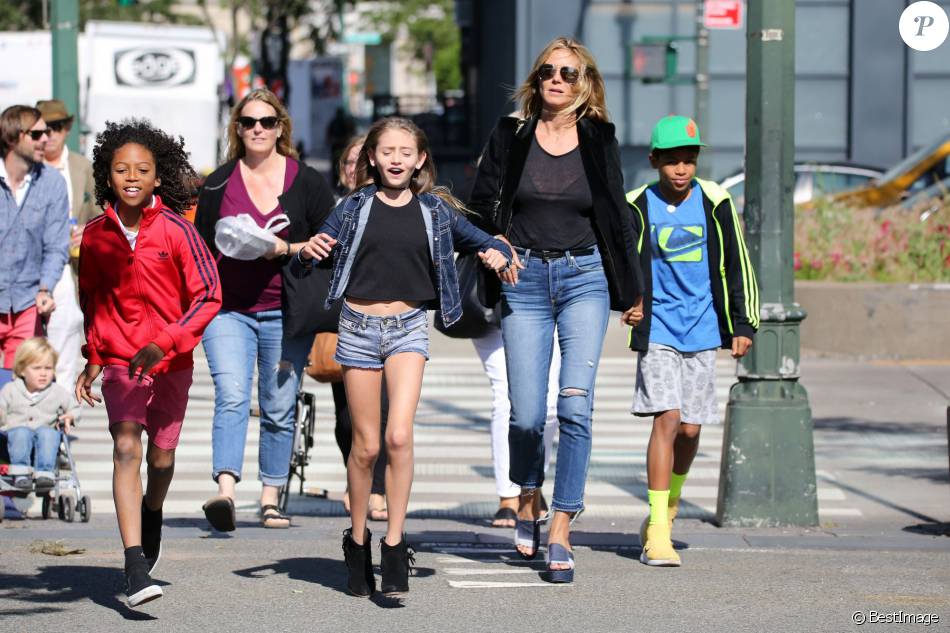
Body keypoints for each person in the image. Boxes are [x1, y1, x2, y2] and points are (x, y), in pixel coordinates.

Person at [297, 116, 512, 597]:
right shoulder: (353, 207)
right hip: (355, 327)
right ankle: (357, 541)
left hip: (409, 328)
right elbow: (306, 258)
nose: (396, 159)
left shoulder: (435, 211)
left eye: (405, 152)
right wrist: (309, 250)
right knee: (366, 445)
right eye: (387, 151)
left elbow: (488, 240)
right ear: (371, 158)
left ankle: (394, 542)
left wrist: (496, 253)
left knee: (399, 435)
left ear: (419, 161)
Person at [468, 37, 644, 584]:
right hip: (523, 280)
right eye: (548, 70)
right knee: (525, 413)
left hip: (584, 278)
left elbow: (616, 214)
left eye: (569, 72)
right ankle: (527, 494)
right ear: (536, 77)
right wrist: (492, 246)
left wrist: (633, 290)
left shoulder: (600, 138)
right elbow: (479, 208)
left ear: (585, 81)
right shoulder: (510, 135)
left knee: (575, 405)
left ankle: (563, 525)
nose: (557, 79)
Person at [75, 118, 221, 606]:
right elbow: (92, 300)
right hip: (121, 360)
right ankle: (135, 564)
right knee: (126, 449)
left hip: (171, 362)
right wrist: (94, 356)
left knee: (160, 459)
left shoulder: (179, 230)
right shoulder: (96, 235)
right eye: (121, 170)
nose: (131, 177)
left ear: (158, 177)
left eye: (142, 170)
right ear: (108, 177)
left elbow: (208, 296)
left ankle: (152, 509)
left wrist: (168, 341)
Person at [194, 89, 336, 531]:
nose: (258, 129)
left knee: (278, 405)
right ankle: (225, 493)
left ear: (281, 129)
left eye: (267, 122)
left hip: (286, 311)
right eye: (250, 122)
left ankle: (271, 497)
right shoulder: (217, 183)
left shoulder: (307, 181)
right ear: (237, 128)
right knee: (232, 395)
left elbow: (331, 244)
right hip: (228, 310)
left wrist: (287, 247)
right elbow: (199, 249)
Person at [626, 115, 759, 566]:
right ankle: (657, 531)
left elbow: (738, 262)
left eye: (689, 160)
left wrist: (744, 324)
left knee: (691, 428)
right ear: (654, 161)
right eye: (671, 161)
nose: (681, 169)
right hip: (659, 327)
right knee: (667, 418)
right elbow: (621, 262)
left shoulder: (715, 200)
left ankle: (672, 499)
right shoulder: (637, 204)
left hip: (702, 328)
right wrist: (628, 300)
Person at [331, 135, 389, 521]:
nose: (357, 169)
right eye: (350, 162)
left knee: (386, 414)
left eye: (361, 161)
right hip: (344, 323)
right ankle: (358, 480)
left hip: (393, 325)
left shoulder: (395, 204)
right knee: (346, 418)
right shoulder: (337, 210)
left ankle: (379, 489)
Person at [0, 105, 69, 386]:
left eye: (48, 132)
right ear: (13, 136)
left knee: (17, 389)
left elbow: (56, 245)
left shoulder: (52, 182)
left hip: (27, 301)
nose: (46, 139)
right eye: (38, 133)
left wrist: (45, 288)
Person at [37, 99, 99, 390]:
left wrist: (88, 231)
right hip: (31, 266)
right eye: (43, 129)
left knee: (68, 328)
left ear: (67, 128)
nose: (49, 135)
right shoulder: (27, 166)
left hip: (69, 266)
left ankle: (59, 413)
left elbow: (101, 212)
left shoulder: (80, 166)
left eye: (56, 127)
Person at [0, 337, 78, 491]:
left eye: (48, 368)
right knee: (21, 432)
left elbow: (73, 407)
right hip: (14, 444)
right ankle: (21, 473)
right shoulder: (11, 389)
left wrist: (70, 416)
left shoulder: (56, 392)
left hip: (45, 444)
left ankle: (45, 474)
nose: (43, 373)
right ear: (22, 370)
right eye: (36, 368)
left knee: (48, 433)